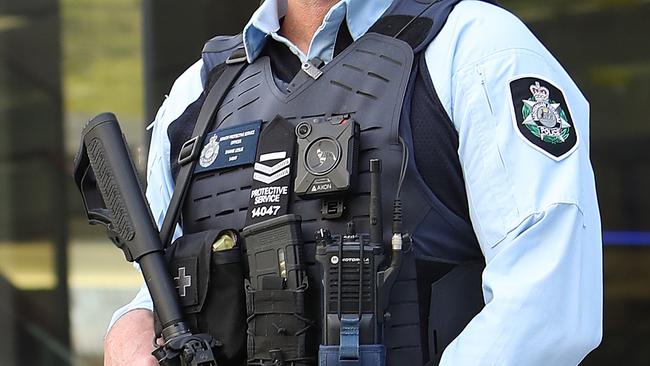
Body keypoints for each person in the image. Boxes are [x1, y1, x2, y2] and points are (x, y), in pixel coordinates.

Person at [104, 0, 603, 365]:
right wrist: (130, 328)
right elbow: (160, 291)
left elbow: (547, 305)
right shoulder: (199, 91)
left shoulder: (477, 49)